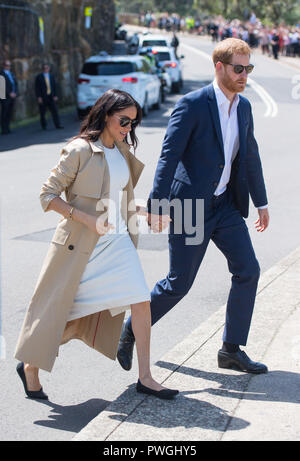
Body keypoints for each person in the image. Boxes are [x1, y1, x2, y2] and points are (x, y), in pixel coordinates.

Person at [117, 38, 270, 375]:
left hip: (225, 206)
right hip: (189, 207)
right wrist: (158, 205)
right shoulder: (193, 104)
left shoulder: (243, 107)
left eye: (249, 68)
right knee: (179, 283)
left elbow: (250, 157)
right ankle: (131, 327)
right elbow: (168, 157)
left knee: (248, 270)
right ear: (220, 67)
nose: (245, 75)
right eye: (239, 68)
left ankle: (231, 349)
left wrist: (261, 202)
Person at [14, 89, 178, 401]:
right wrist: (86, 219)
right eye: (124, 120)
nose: (128, 128)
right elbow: (47, 196)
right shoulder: (79, 150)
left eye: (134, 123)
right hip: (81, 250)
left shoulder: (121, 150)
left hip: (117, 244)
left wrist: (147, 214)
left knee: (141, 300)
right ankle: (30, 364)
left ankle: (146, 377)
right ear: (105, 114)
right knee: (65, 317)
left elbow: (121, 203)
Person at [35, 63, 64, 130]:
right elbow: (37, 88)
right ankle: (44, 126)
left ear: (49, 68)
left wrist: (55, 95)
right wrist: (39, 97)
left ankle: (58, 124)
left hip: (51, 97)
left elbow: (54, 86)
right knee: (43, 113)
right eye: (44, 68)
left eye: (47, 68)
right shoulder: (39, 77)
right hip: (43, 97)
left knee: (55, 111)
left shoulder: (51, 76)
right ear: (43, 69)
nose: (46, 69)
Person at [0, 60, 18, 134]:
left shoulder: (11, 74)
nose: (8, 67)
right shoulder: (1, 74)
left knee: (9, 113)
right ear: (4, 66)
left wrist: (15, 92)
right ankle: (4, 129)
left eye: (9, 65)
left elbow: (15, 84)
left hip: (12, 96)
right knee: (4, 112)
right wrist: (9, 93)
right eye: (7, 65)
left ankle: (7, 127)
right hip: (5, 97)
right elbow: (2, 86)